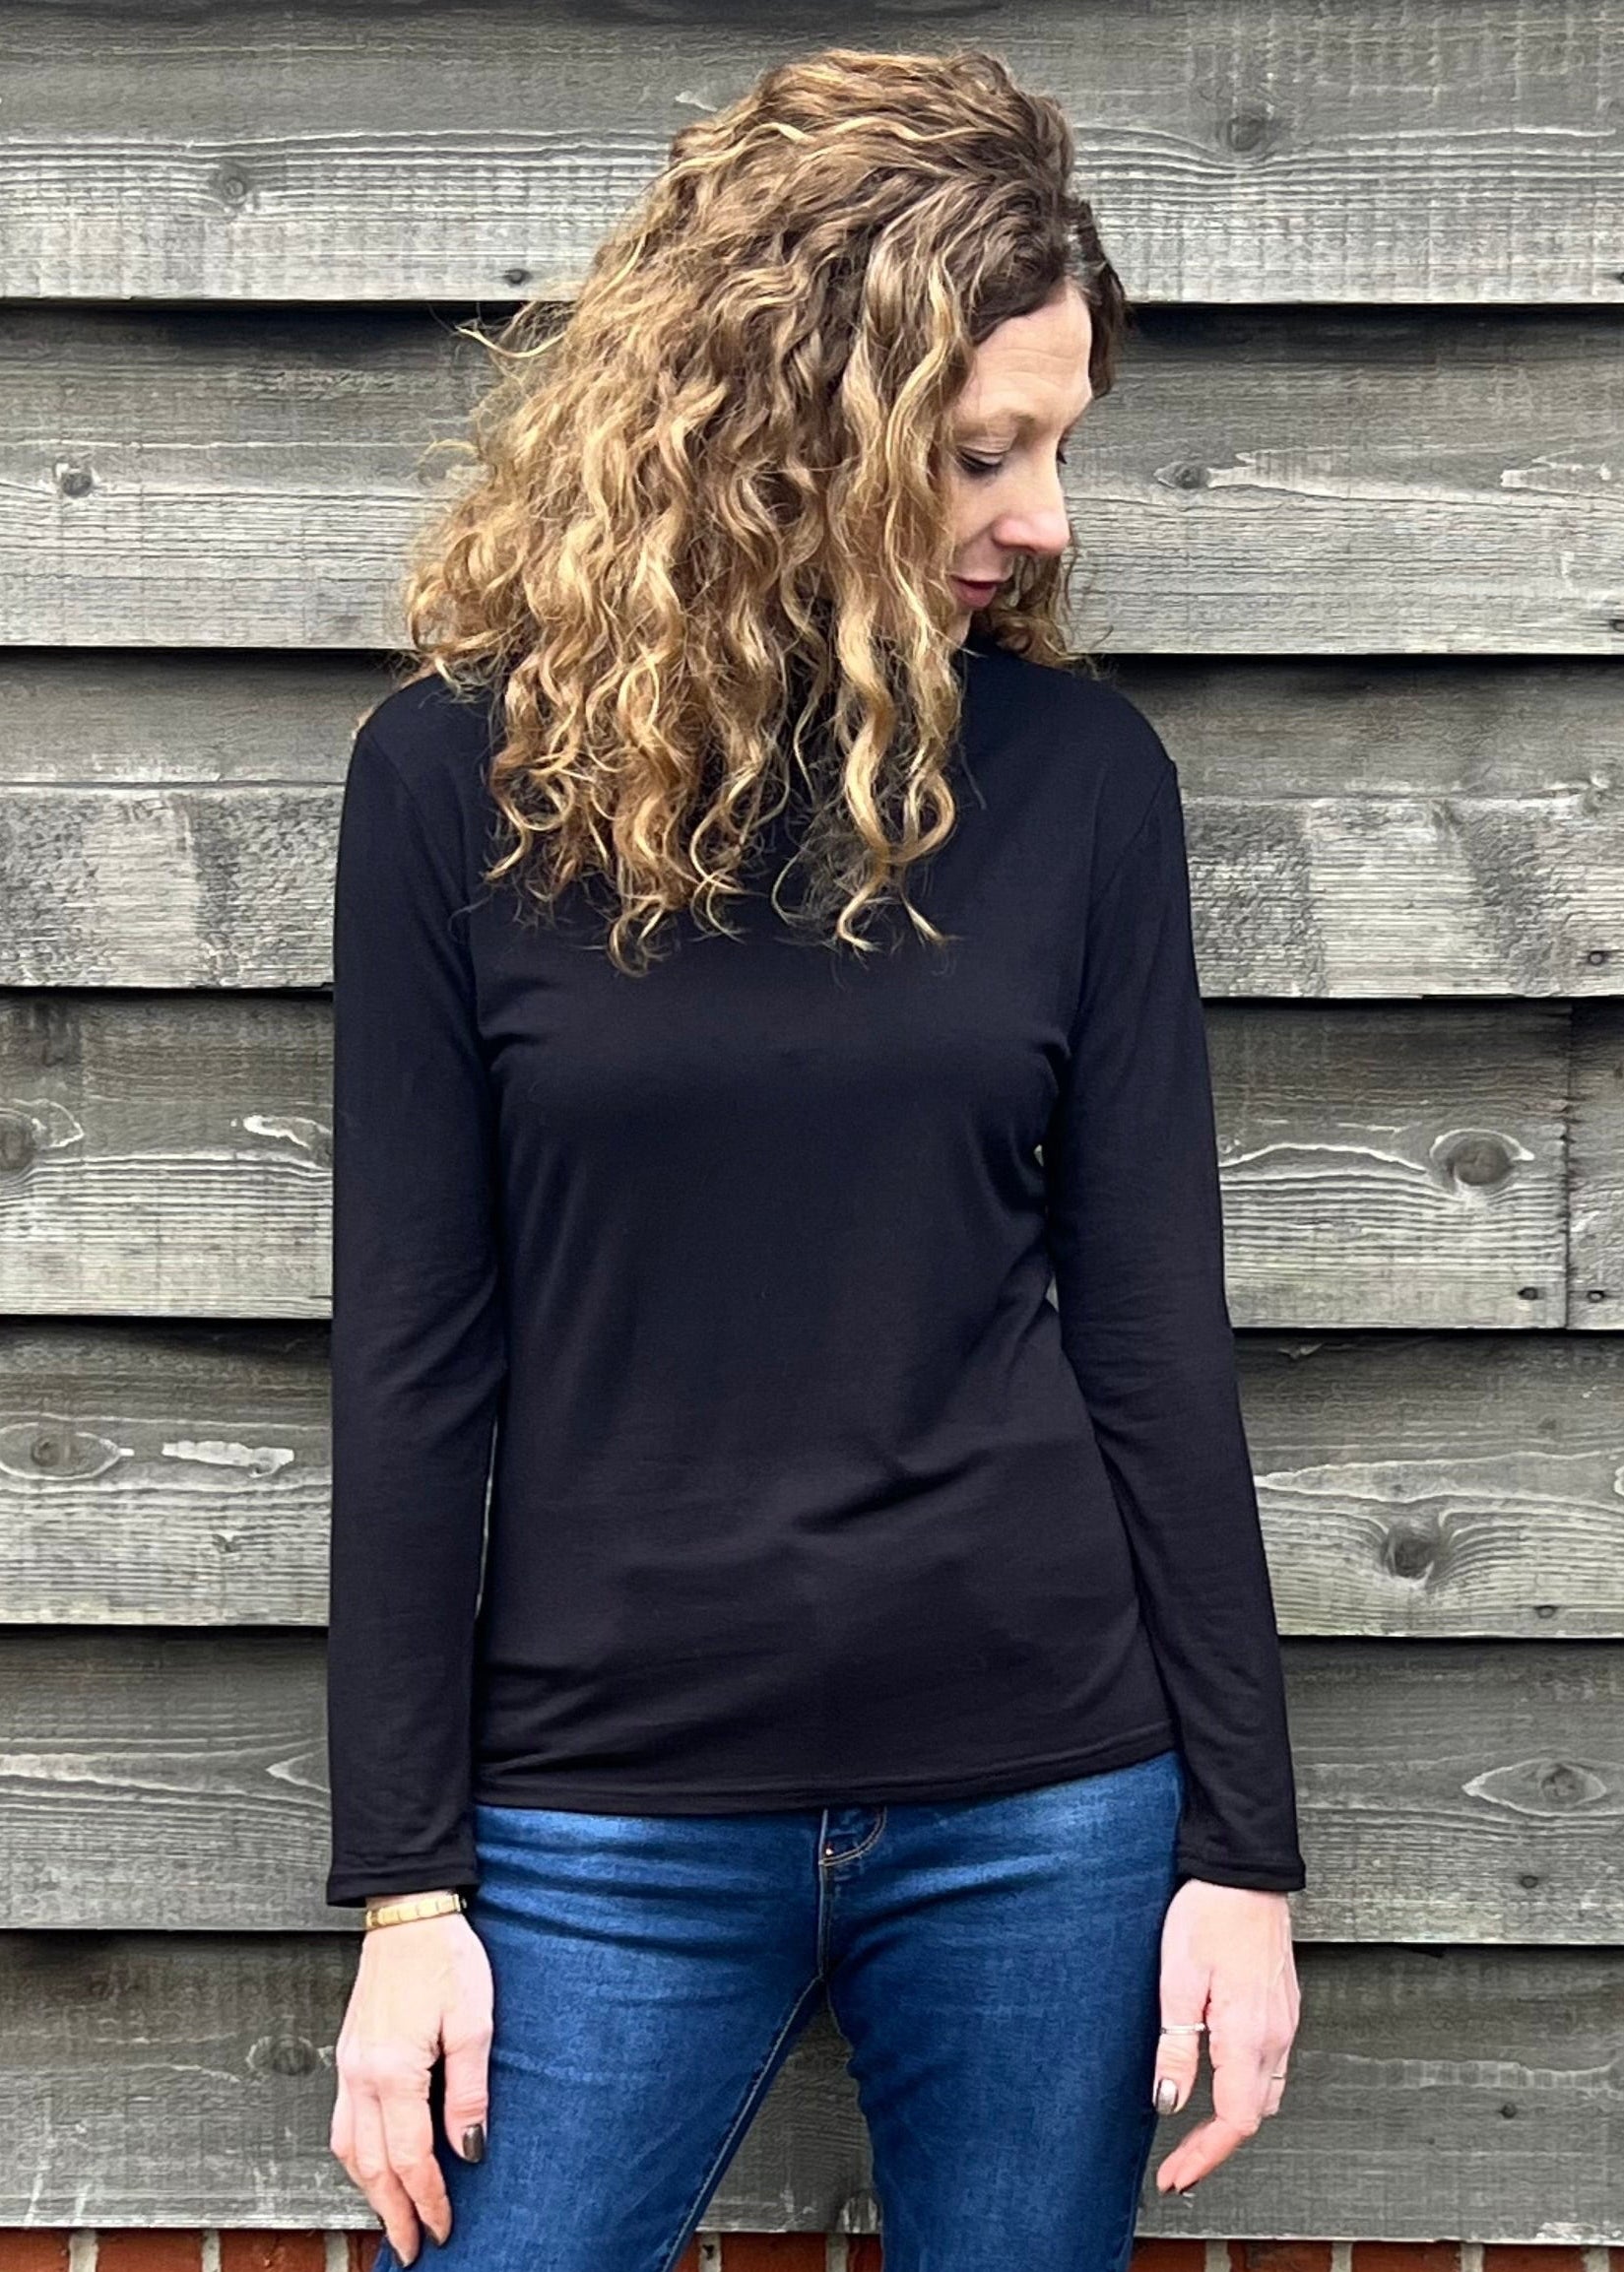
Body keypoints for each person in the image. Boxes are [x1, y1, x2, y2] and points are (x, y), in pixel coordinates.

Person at [323, 43, 1305, 2272]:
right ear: (791, 437)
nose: (1046, 514)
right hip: (598, 1811)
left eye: (1057, 445)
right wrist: (408, 1883)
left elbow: (1154, 1334)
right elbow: (409, 1361)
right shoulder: (447, 790)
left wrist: (1244, 1853)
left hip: (1047, 1801)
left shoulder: (1079, 788)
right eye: (985, 449)